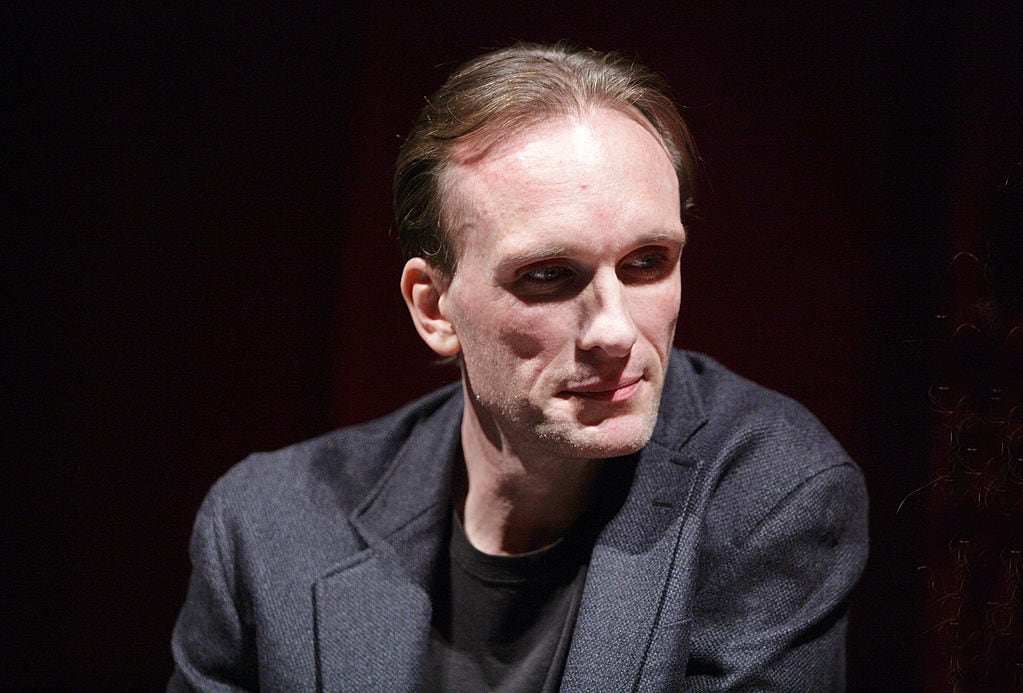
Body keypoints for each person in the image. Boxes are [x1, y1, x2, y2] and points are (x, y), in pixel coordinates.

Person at [169, 42, 868, 691]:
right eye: (549, 275)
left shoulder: (772, 496)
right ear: (434, 307)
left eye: (648, 263)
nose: (616, 331)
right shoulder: (267, 527)